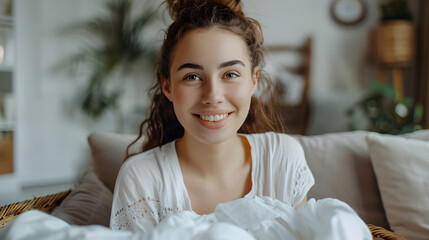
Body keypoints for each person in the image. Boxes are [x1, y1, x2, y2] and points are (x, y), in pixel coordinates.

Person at [110, 0, 314, 232]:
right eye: (192, 77)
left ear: (253, 80)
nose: (213, 96)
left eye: (230, 74)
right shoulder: (141, 178)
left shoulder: (283, 159)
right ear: (167, 86)